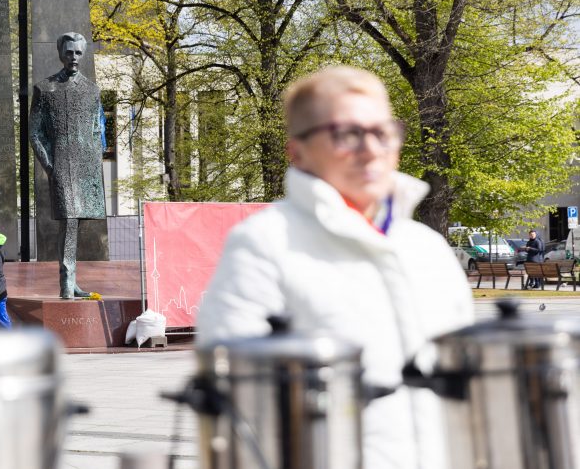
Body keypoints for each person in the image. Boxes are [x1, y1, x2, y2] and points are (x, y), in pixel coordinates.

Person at [195, 66, 474, 469]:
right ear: (298, 151)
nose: (371, 149)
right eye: (347, 134)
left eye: (383, 132)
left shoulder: (426, 248)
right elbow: (230, 399)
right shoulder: (263, 244)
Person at [29, 32, 106, 298]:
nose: (74, 57)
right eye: (69, 52)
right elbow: (35, 133)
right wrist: (49, 166)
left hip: (87, 165)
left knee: (78, 222)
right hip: (62, 163)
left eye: (78, 53)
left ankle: (70, 280)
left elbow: (98, 129)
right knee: (70, 220)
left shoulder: (91, 90)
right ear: (61, 53)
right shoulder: (45, 89)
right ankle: (66, 282)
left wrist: (97, 158)